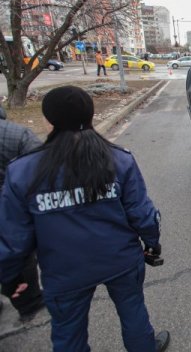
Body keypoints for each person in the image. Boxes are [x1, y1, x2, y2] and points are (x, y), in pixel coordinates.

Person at [0, 86, 170, 351]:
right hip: (120, 260)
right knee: (133, 310)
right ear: (90, 116)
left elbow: (14, 237)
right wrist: (152, 242)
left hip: (64, 270)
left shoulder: (23, 171)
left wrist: (9, 276)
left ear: (49, 120)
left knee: (68, 334)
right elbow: (141, 211)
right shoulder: (118, 159)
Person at [0, 104, 46, 322]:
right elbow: (41, 167)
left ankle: (11, 284)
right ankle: (27, 300)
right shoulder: (17, 133)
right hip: (14, 206)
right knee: (21, 250)